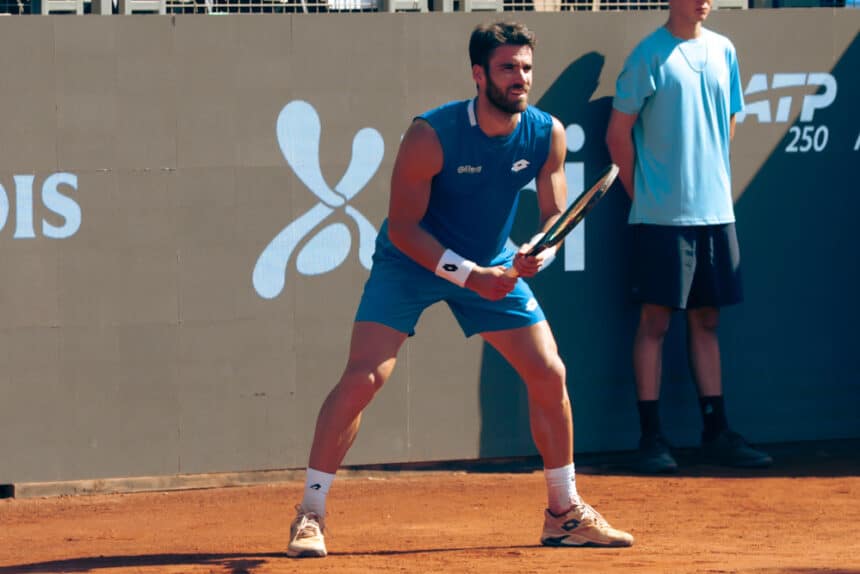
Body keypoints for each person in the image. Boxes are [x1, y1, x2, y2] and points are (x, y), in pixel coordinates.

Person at [287, 21, 634, 558]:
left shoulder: (546, 133)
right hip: (410, 261)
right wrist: (468, 276)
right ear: (479, 75)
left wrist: (541, 250)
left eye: (525, 68)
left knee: (549, 372)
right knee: (365, 377)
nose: (519, 78)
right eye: (507, 68)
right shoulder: (432, 135)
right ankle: (310, 513)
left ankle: (563, 513)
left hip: (492, 258)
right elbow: (403, 227)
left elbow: (553, 218)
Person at [605, 0, 773, 474]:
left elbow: (729, 121)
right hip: (660, 220)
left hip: (716, 215)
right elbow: (618, 137)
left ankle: (716, 431)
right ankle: (651, 438)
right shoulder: (648, 56)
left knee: (707, 321)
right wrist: (649, 197)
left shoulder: (724, 50)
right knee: (654, 324)